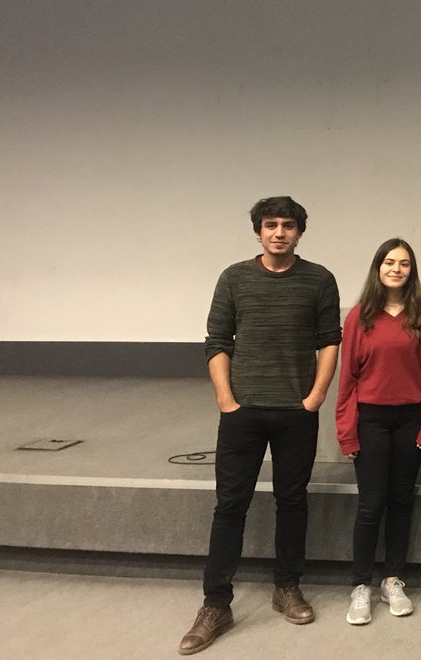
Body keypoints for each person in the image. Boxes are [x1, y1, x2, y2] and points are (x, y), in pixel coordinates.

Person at [179, 196, 341, 655]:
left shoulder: (319, 279)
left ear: (299, 232)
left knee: (292, 501)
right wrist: (226, 400)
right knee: (230, 506)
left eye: (288, 225)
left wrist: (315, 397)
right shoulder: (233, 278)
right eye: (271, 225)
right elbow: (217, 341)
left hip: (296, 412)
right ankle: (216, 605)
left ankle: (287, 587)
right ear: (259, 231)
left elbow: (330, 341)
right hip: (242, 413)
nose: (279, 233)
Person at [336, 238, 421, 626]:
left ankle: (392, 580)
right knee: (371, 504)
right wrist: (346, 431)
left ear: (412, 271)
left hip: (410, 420)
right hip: (371, 421)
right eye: (389, 262)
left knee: (401, 501)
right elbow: (347, 378)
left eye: (404, 263)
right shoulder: (359, 316)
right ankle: (360, 585)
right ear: (378, 268)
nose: (396, 269)